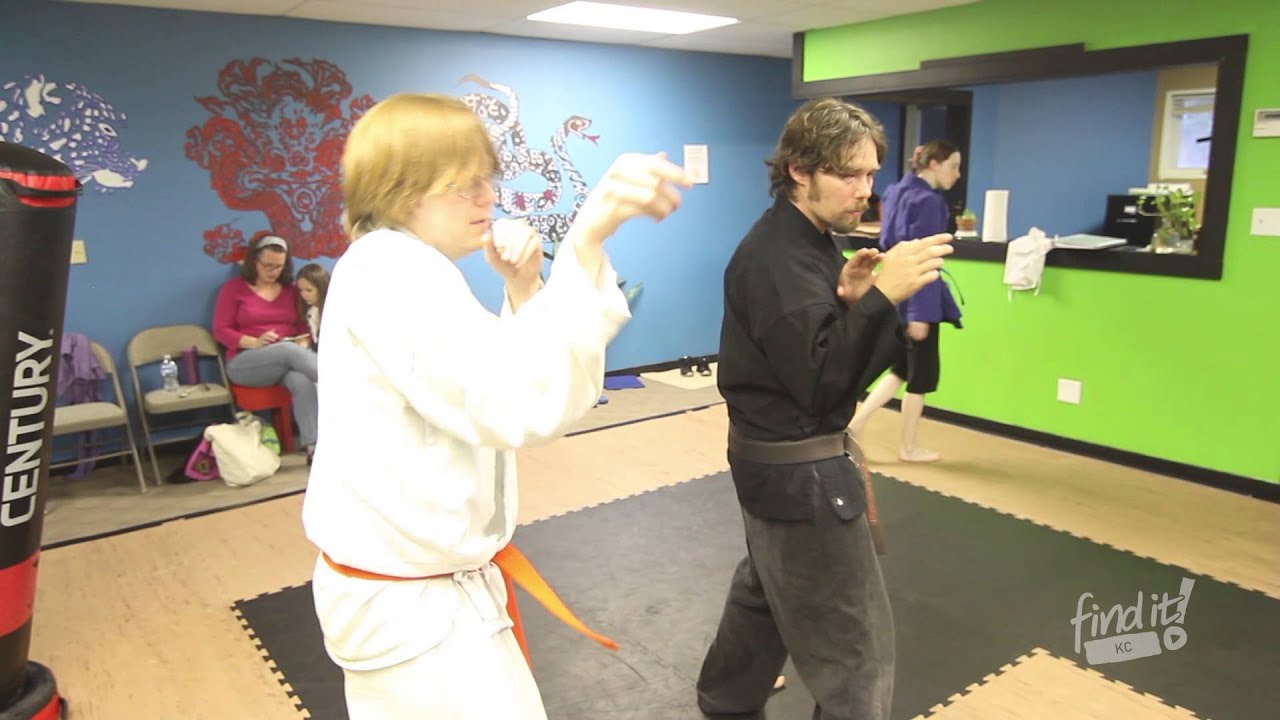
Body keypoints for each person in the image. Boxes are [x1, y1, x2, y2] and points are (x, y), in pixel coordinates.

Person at [299, 93, 689, 720]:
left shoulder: (401, 268)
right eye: (464, 184)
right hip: (413, 610)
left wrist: (524, 286)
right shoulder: (391, 273)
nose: (488, 197)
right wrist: (585, 238)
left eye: (488, 179)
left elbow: (487, 373)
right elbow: (517, 404)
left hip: (425, 597)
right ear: (401, 189)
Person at [696, 97, 953, 720]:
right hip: (799, 474)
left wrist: (853, 301)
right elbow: (820, 384)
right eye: (847, 174)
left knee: (768, 587)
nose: (864, 190)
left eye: (871, 175)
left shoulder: (807, 242)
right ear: (799, 171)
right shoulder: (777, 258)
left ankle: (727, 697)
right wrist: (883, 297)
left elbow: (814, 352)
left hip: (774, 466)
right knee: (857, 650)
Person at [850, 141, 964, 463]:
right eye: (953, 166)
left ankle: (855, 425)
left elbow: (892, 244)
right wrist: (920, 313)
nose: (957, 174)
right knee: (920, 376)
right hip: (918, 294)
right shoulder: (929, 201)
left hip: (894, 289)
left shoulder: (895, 191)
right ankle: (908, 447)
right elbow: (923, 258)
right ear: (933, 164)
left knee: (901, 368)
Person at [212, 231, 319, 461]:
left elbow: (303, 327)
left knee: (301, 380)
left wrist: (302, 342)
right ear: (254, 261)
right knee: (287, 351)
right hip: (246, 362)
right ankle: (343, 382)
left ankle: (314, 448)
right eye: (267, 266)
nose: (273, 272)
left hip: (287, 357)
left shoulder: (291, 290)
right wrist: (255, 342)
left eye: (279, 266)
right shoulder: (233, 289)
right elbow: (221, 330)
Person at [295, 263, 329, 348]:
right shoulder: (311, 312)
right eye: (301, 290)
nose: (304, 295)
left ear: (322, 287)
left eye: (309, 290)